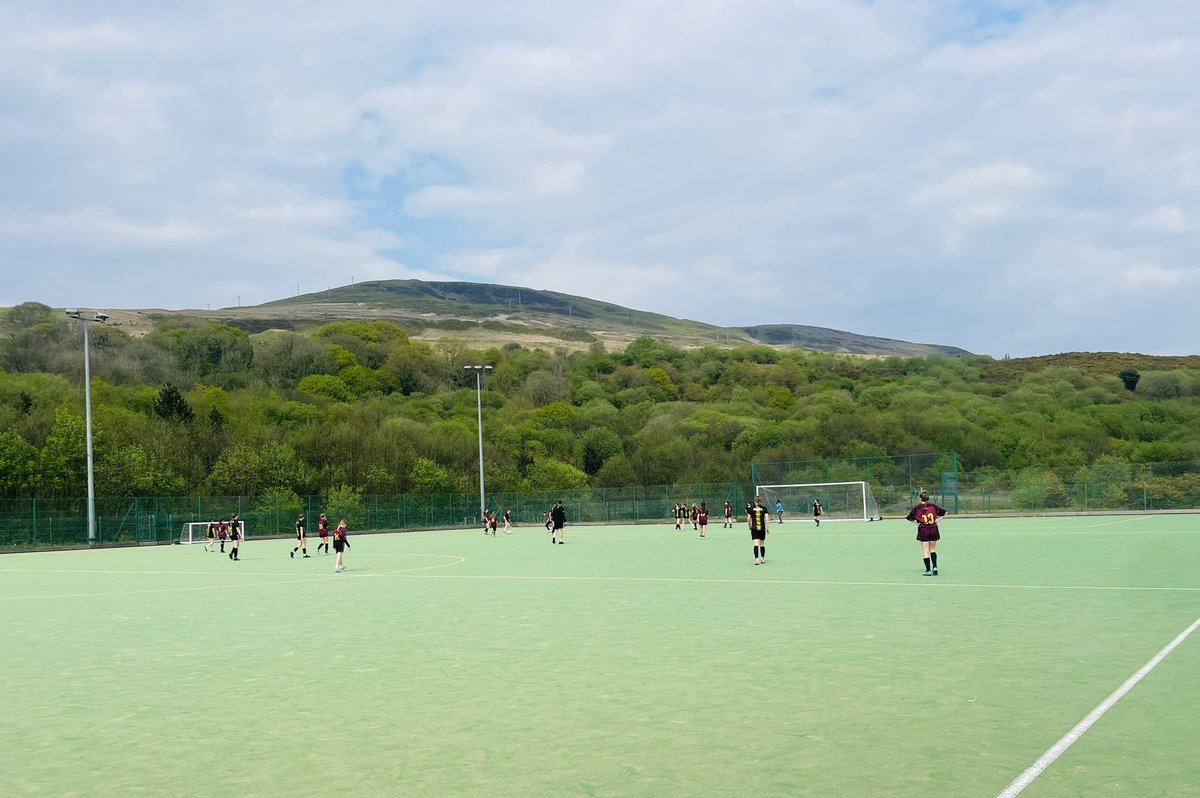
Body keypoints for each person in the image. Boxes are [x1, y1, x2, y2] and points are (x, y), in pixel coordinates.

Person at [906, 490, 947, 576]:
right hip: (934, 529)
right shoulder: (933, 506)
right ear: (928, 498)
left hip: (924, 530)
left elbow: (909, 518)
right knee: (932, 549)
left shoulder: (917, 508)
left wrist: (918, 524)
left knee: (925, 551)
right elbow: (944, 513)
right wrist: (937, 520)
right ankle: (935, 567)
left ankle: (928, 570)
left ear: (920, 498)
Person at [748, 495, 769, 565]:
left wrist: (749, 526)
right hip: (762, 528)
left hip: (754, 528)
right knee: (762, 544)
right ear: (761, 501)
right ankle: (762, 558)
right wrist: (767, 528)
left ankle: (756, 560)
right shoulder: (764, 508)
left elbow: (748, 519)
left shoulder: (751, 508)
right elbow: (767, 519)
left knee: (755, 544)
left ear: (754, 501)